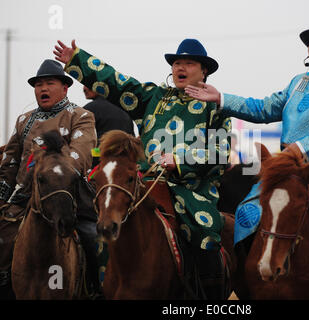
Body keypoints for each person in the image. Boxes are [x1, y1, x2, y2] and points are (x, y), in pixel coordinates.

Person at [186, 20, 309, 299]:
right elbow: (263, 108)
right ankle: (247, 286)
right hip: (289, 173)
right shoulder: (298, 82)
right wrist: (222, 98)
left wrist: (300, 148)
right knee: (245, 215)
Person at [53, 38, 232, 299]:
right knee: (105, 229)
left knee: (204, 233)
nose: (180, 67)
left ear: (204, 70)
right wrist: (76, 59)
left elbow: (220, 153)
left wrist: (179, 161)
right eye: (177, 63)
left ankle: (206, 297)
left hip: (191, 190)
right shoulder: (152, 97)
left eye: (189, 63)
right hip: (144, 184)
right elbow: (117, 82)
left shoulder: (215, 107)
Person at [0, 59, 98, 299]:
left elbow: (81, 156)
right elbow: (10, 162)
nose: (42, 89)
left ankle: (95, 290)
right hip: (22, 202)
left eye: (49, 83)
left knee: (95, 240)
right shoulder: (24, 120)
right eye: (38, 84)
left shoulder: (81, 115)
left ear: (65, 88)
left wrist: (51, 173)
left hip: (67, 199)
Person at [83, 85, 135, 168]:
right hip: (126, 162)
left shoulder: (89, 109)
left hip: (99, 157)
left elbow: (78, 139)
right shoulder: (125, 110)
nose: (84, 89)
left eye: (87, 84)